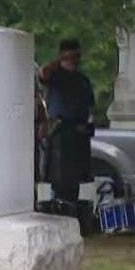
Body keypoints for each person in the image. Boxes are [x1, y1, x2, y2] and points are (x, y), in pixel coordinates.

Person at [37, 40, 95, 206]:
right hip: (60, 130)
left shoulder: (82, 79)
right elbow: (43, 73)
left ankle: (72, 210)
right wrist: (60, 60)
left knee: (75, 178)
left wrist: (88, 124)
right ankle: (59, 207)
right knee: (59, 176)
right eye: (69, 56)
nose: (73, 60)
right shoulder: (55, 75)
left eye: (76, 56)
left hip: (79, 131)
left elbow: (90, 106)